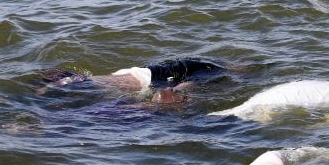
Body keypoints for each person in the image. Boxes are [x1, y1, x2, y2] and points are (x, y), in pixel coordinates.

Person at [36, 57, 227, 104]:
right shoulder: (79, 83)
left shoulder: (79, 84)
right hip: (153, 76)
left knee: (215, 70)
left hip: (152, 76)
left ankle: (243, 68)